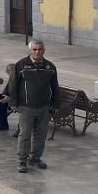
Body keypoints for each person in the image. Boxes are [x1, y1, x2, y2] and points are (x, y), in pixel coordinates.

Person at [10, 39, 59, 172]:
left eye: (40, 49)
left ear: (44, 50)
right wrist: (13, 103)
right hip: (26, 108)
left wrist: (55, 104)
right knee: (25, 135)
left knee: (41, 135)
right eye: (35, 49)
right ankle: (22, 161)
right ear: (30, 50)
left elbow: (55, 86)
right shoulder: (21, 65)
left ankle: (35, 159)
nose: (37, 52)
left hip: (44, 108)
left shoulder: (50, 67)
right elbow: (13, 85)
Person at [0, 63, 16, 132]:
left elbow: (22, 93)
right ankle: (2, 124)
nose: (8, 74)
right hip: (11, 98)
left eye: (9, 72)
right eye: (8, 72)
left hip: (20, 100)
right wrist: (2, 95)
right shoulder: (12, 78)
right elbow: (7, 89)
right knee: (0, 101)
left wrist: (10, 98)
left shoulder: (21, 79)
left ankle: (20, 129)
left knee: (3, 102)